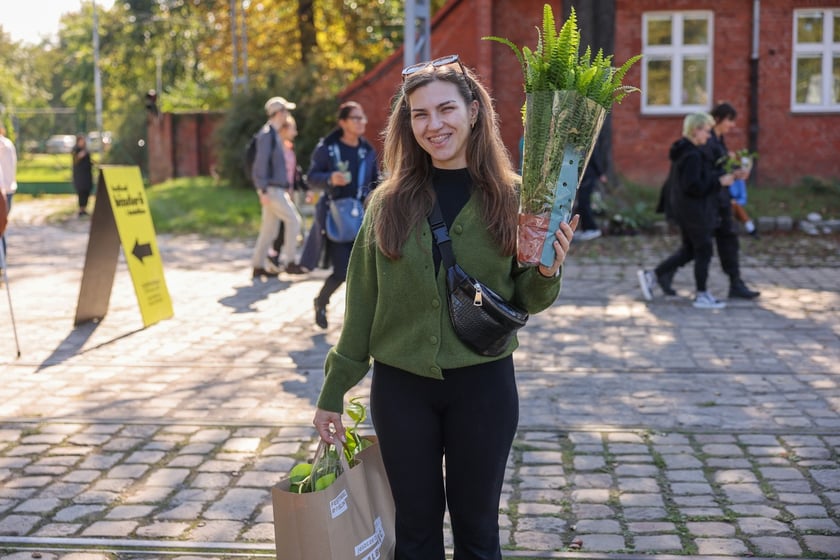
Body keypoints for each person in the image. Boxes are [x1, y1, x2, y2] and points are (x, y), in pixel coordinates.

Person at [312, 54, 578, 559]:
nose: (434, 125)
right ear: (407, 124)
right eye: (419, 114)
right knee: (414, 533)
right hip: (401, 390)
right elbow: (362, 307)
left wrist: (548, 270)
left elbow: (527, 299)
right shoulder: (388, 204)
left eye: (445, 109)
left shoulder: (516, 197)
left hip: (484, 387)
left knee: (478, 533)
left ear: (473, 111)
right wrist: (332, 392)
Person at [637, 112, 735, 309]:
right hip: (693, 211)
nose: (708, 136)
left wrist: (721, 176)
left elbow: (698, 179)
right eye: (706, 131)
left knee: (690, 250)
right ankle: (701, 294)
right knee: (704, 249)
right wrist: (719, 181)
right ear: (695, 130)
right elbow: (693, 186)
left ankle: (653, 275)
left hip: (688, 210)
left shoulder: (689, 151)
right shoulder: (691, 154)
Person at [301, 101, 379, 329]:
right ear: (343, 122)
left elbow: (375, 181)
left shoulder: (367, 151)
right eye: (355, 118)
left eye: (362, 117)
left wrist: (375, 196)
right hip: (335, 219)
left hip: (362, 218)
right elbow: (311, 178)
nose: (360, 122)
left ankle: (360, 321)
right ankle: (321, 301)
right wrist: (329, 179)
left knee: (365, 273)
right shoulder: (327, 148)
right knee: (342, 271)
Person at [706, 102, 760, 299]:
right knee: (695, 247)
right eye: (730, 120)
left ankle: (735, 282)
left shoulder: (719, 139)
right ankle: (661, 274)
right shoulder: (709, 139)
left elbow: (721, 170)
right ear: (719, 119)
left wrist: (736, 174)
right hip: (713, 199)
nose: (732, 125)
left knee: (728, 239)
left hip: (722, 198)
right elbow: (710, 171)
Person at [250, 96, 306, 279]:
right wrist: (262, 190)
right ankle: (290, 262)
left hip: (275, 190)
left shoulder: (273, 134)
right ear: (279, 113)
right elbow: (260, 165)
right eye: (286, 111)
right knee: (294, 220)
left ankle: (258, 266)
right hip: (272, 190)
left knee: (268, 230)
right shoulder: (267, 135)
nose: (287, 115)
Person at [266, 115, 305, 270]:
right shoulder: (275, 149)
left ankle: (273, 257)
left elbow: (294, 171)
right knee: (292, 221)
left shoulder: (288, 147)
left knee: (280, 225)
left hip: (287, 192)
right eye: (293, 128)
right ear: (284, 129)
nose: (295, 132)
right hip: (276, 191)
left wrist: (302, 186)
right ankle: (289, 261)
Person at [574, 133, 607, 241]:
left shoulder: (589, 141)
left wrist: (600, 173)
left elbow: (594, 158)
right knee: (582, 203)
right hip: (584, 177)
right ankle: (585, 228)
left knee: (584, 203)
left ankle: (592, 228)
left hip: (588, 176)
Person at [0, 125, 17, 258]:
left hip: (3, 190)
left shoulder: (3, 145)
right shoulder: (8, 143)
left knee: (1, 227)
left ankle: (1, 261)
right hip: (8, 188)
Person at [72, 134, 94, 217]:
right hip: (80, 176)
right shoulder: (75, 150)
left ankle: (84, 209)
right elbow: (76, 160)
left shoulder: (86, 150)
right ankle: (81, 209)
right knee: (81, 192)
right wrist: (80, 156)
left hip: (87, 175)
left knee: (86, 192)